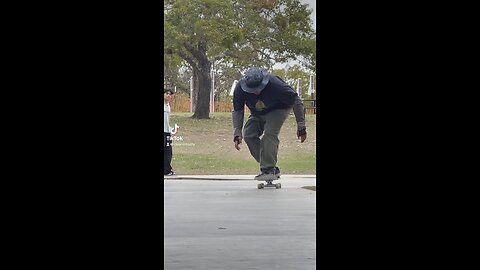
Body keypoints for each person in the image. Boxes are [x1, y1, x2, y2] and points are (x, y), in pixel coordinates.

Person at [232, 67, 307, 181]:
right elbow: (238, 111)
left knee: (269, 134)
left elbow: (296, 101)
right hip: (257, 113)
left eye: (259, 88)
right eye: (252, 90)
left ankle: (268, 169)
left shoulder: (275, 84)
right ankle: (270, 167)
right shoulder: (240, 89)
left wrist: (301, 126)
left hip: (279, 109)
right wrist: (237, 132)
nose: (256, 92)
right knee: (248, 134)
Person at [164, 88, 175, 176]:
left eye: (170, 94)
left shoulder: (168, 106)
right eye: (166, 93)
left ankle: (167, 170)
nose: (168, 95)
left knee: (168, 151)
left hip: (167, 132)